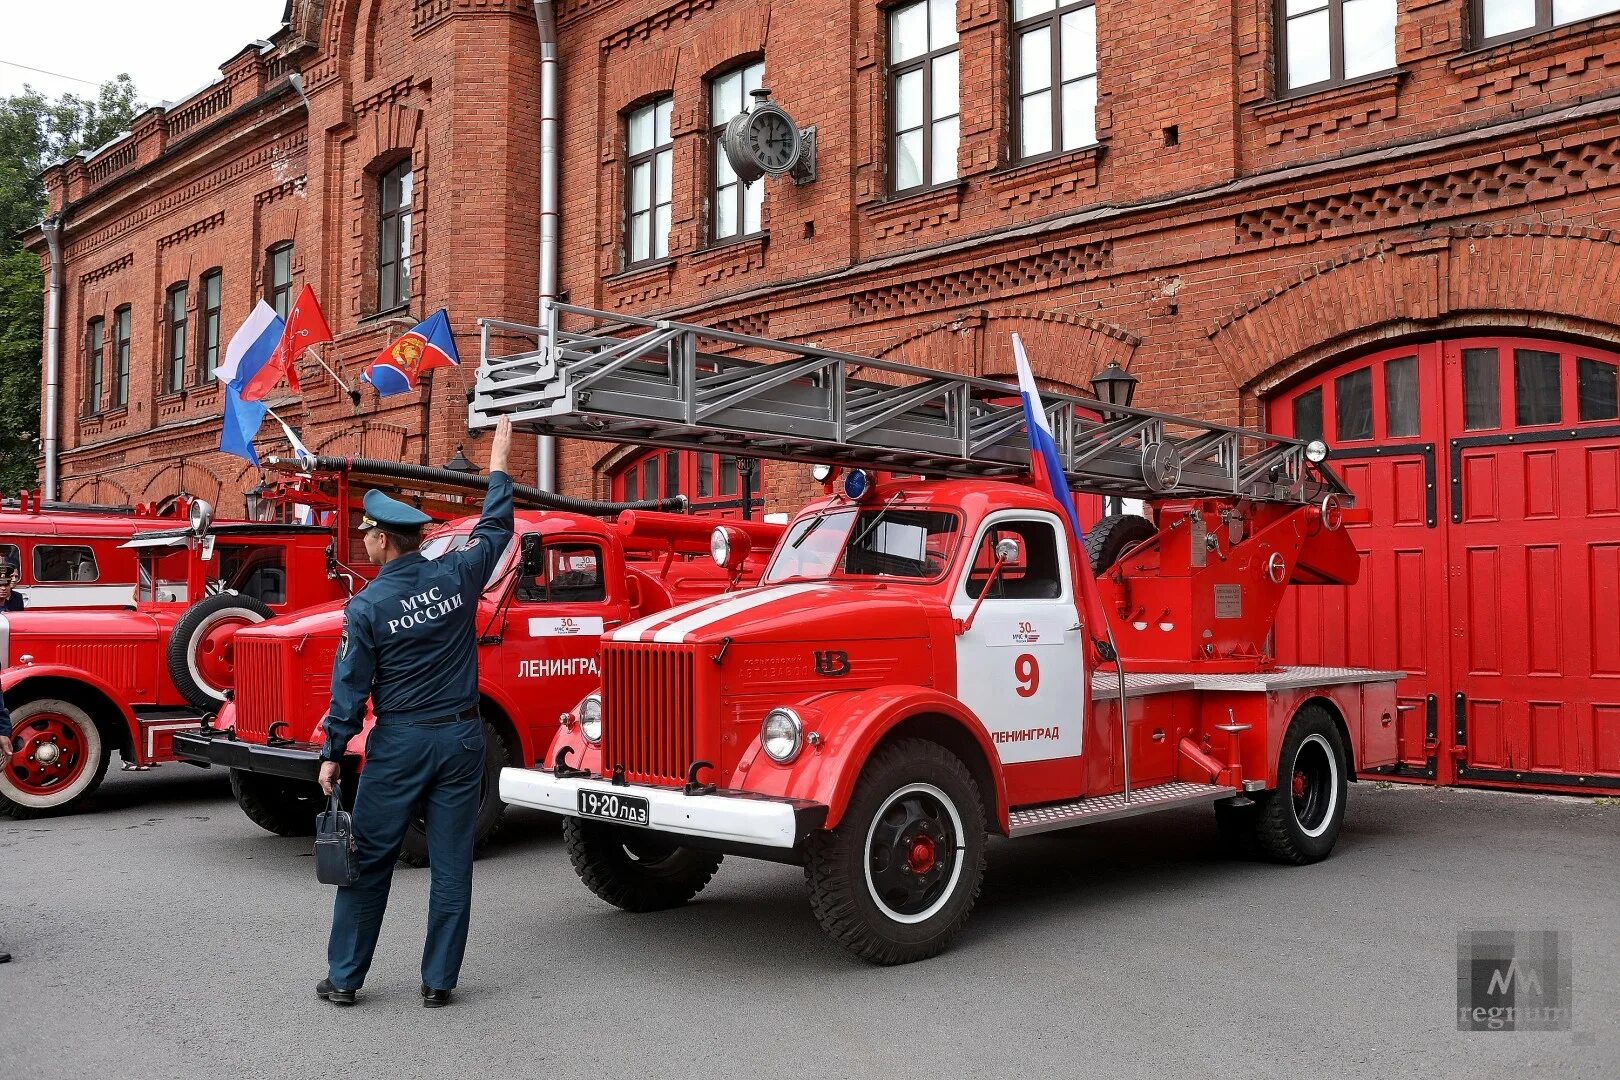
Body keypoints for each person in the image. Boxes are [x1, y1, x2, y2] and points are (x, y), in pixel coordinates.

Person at [315, 417, 514, 1009]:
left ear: (382, 540)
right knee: (452, 865)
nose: (365, 539)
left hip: (399, 745)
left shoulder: (367, 606)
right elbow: (497, 527)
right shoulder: (457, 573)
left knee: (368, 862)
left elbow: (349, 691)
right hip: (461, 740)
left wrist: (332, 753)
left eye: (367, 532)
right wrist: (500, 458)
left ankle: (346, 979)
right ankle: (438, 983)